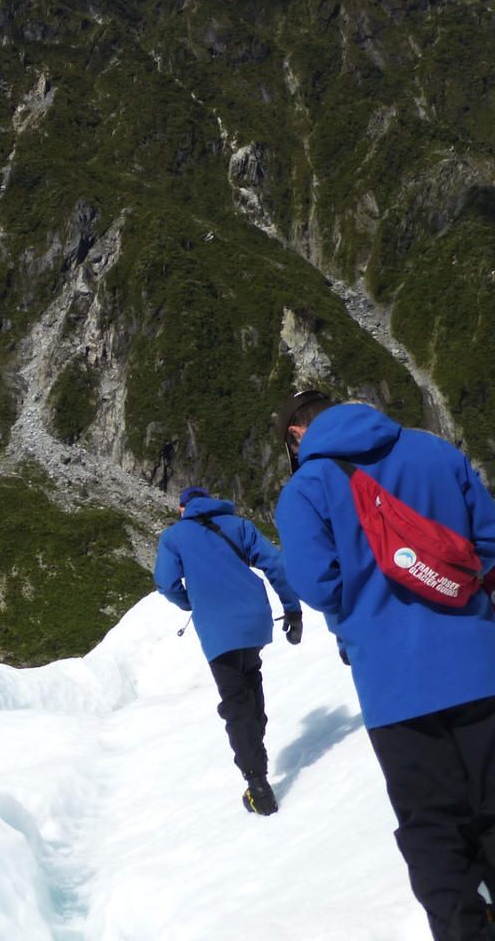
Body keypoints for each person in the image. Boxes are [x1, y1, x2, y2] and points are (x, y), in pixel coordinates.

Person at [276, 390, 495, 940]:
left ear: (298, 435)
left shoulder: (306, 489)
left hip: (394, 689)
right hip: (481, 664)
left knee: (434, 831)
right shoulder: (433, 451)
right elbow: (488, 540)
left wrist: (364, 609)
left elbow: (315, 582)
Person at [154, 484, 302, 816]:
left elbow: (166, 583)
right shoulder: (240, 525)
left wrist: (191, 602)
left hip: (218, 630)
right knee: (251, 683)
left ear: (182, 509)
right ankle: (256, 748)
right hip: (254, 620)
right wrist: (292, 609)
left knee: (235, 702)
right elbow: (275, 564)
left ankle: (257, 785)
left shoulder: (174, 537)